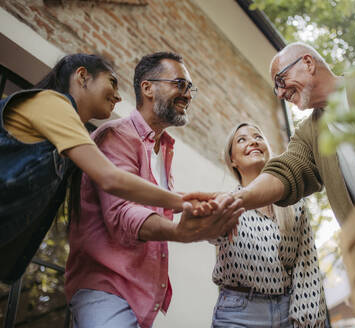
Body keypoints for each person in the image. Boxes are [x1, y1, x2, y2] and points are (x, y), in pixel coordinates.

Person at [0, 53, 230, 284]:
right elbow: (111, 178)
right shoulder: (52, 104)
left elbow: (130, 188)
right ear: (82, 76)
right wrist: (182, 203)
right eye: (112, 81)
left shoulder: (68, 143)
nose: (119, 97)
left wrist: (189, 199)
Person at [64, 52, 243, 328]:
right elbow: (123, 213)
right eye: (180, 84)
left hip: (139, 296)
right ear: (147, 87)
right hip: (106, 291)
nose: (188, 95)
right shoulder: (118, 135)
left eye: (190, 88)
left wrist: (197, 205)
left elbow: (153, 202)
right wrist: (179, 231)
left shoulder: (163, 148)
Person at [185, 42, 355, 226]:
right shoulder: (309, 134)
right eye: (276, 89)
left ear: (308, 63)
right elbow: (287, 171)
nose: (280, 93)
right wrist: (236, 199)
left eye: (281, 81)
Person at [211, 122, 329, 328]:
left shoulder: (294, 205)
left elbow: (306, 265)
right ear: (233, 160)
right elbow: (211, 233)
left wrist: (308, 320)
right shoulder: (229, 203)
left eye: (258, 136)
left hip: (287, 311)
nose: (253, 142)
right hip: (239, 313)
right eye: (242, 139)